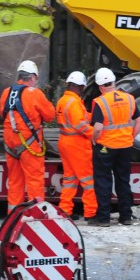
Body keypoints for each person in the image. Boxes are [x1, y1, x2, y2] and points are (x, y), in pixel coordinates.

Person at [90, 67, 140, 226]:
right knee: (123, 180)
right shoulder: (129, 98)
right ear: (114, 82)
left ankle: (104, 219)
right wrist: (131, 136)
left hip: (105, 147)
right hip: (125, 146)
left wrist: (94, 140)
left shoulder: (100, 102)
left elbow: (98, 127)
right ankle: (126, 216)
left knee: (103, 181)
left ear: (100, 87)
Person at [0, 60, 55, 213]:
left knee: (15, 182)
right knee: (34, 181)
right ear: (31, 77)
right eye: (35, 79)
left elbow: (2, 113)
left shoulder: (6, 92)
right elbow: (50, 115)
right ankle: (36, 217)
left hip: (10, 144)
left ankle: (13, 217)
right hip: (29, 145)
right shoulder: (34, 94)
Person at [56, 71, 97, 221]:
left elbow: (81, 117)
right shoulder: (73, 103)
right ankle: (91, 213)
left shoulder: (64, 100)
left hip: (65, 143)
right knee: (88, 181)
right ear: (80, 87)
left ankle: (65, 210)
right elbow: (80, 125)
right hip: (77, 145)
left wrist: (96, 116)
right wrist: (97, 134)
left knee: (70, 180)